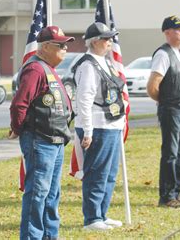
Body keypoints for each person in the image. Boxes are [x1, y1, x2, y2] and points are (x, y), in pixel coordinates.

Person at [10, 25, 74, 240]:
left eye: (66, 45)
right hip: (41, 140)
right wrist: (18, 129)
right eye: (61, 45)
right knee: (38, 194)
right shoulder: (35, 69)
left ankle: (49, 236)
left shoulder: (48, 68)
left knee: (51, 195)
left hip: (55, 140)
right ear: (46, 46)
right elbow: (20, 104)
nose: (65, 49)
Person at [73, 22, 126, 231]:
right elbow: (84, 99)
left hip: (111, 125)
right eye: (106, 39)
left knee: (110, 173)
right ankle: (92, 218)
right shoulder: (88, 65)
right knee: (96, 173)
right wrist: (87, 130)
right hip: (97, 125)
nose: (110, 42)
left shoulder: (105, 62)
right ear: (95, 42)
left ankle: (102, 214)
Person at [147, 16, 180, 209]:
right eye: (177, 29)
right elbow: (152, 86)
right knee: (171, 153)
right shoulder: (163, 54)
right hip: (172, 109)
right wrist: (167, 102)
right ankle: (167, 196)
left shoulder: (177, 53)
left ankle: (176, 192)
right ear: (166, 32)